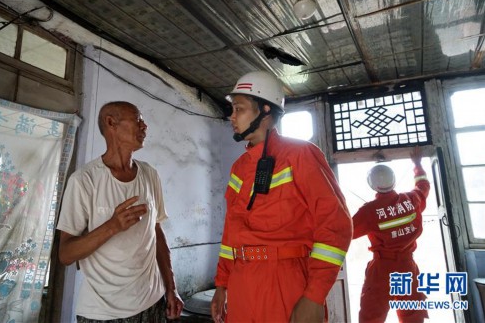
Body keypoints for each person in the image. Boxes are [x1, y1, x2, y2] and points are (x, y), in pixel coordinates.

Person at [210, 71, 353, 323]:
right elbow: (231, 230)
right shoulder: (239, 167)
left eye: (239, 109)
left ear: (265, 111)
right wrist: (222, 283)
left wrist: (314, 296)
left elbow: (335, 224)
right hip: (242, 280)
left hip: (285, 279)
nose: (231, 116)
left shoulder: (300, 155)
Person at [56, 101, 183, 322]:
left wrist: (171, 287)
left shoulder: (149, 175)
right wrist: (112, 226)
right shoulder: (84, 181)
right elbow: (65, 254)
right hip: (103, 313)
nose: (145, 126)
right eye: (138, 120)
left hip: (153, 302)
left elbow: (157, 233)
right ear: (111, 123)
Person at [352, 147, 430, 323]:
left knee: (372, 317)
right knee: (412, 315)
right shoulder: (412, 199)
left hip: (382, 270)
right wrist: (417, 164)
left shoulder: (369, 211)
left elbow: (344, 232)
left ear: (372, 184)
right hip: (407, 267)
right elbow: (423, 185)